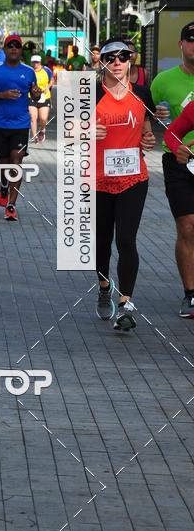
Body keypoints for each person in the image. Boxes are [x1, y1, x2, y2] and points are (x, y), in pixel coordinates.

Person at [94, 39, 155, 331]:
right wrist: (84, 131)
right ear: (101, 61)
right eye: (110, 57)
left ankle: (125, 303)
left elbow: (147, 130)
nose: (117, 62)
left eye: (123, 57)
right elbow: (66, 136)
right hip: (96, 180)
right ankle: (104, 285)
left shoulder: (142, 93)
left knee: (126, 240)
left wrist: (148, 139)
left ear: (131, 60)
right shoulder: (87, 95)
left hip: (133, 178)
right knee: (101, 242)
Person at [152, 21, 194, 318]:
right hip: (178, 164)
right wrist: (156, 117)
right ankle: (190, 294)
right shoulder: (163, 81)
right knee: (188, 226)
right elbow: (158, 122)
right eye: (190, 40)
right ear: (181, 45)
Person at [0, 35, 41, 220]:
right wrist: (1, 95)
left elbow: (34, 96)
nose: (14, 49)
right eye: (10, 46)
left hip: (21, 125)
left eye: (17, 46)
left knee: (17, 162)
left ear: (21, 50)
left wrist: (36, 94)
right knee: (4, 165)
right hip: (0, 124)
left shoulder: (29, 71)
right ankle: (4, 185)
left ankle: (11, 205)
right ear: (5, 49)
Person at [164, 101, 194, 318]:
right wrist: (179, 149)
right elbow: (171, 134)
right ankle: (190, 294)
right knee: (187, 226)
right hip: (184, 169)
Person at [28, 54, 53, 143]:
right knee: (33, 117)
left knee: (43, 118)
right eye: (34, 62)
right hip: (31, 96)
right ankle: (35, 137)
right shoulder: (29, 71)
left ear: (40, 62)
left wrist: (48, 87)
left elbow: (52, 79)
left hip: (44, 96)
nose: (35, 64)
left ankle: (42, 130)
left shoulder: (46, 70)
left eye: (37, 62)